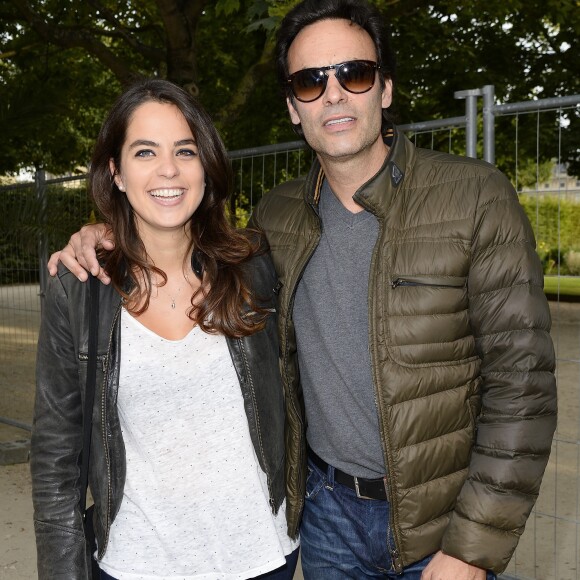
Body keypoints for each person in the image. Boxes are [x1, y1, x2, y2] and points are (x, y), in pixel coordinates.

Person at [49, 1, 558, 578]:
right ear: (293, 108)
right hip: (323, 520)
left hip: (441, 525)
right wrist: (100, 234)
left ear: (385, 89)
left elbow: (524, 387)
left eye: (355, 74)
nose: (334, 94)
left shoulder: (475, 197)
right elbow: (184, 236)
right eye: (311, 82)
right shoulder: (278, 220)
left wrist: (471, 546)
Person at [32, 78, 299, 580]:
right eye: (145, 151)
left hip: (262, 555)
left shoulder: (256, 267)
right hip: (136, 562)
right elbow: (55, 458)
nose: (168, 169)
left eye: (185, 150)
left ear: (206, 166)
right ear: (116, 171)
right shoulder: (80, 289)